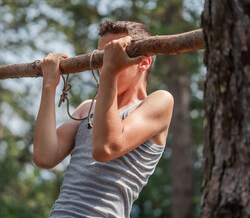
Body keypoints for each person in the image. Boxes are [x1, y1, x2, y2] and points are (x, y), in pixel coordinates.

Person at [33, 21, 174, 217]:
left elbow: (105, 148)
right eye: (101, 58)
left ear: (143, 62)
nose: (102, 66)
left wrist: (110, 70)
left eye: (111, 56)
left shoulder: (159, 102)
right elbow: (44, 157)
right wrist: (49, 85)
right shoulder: (87, 108)